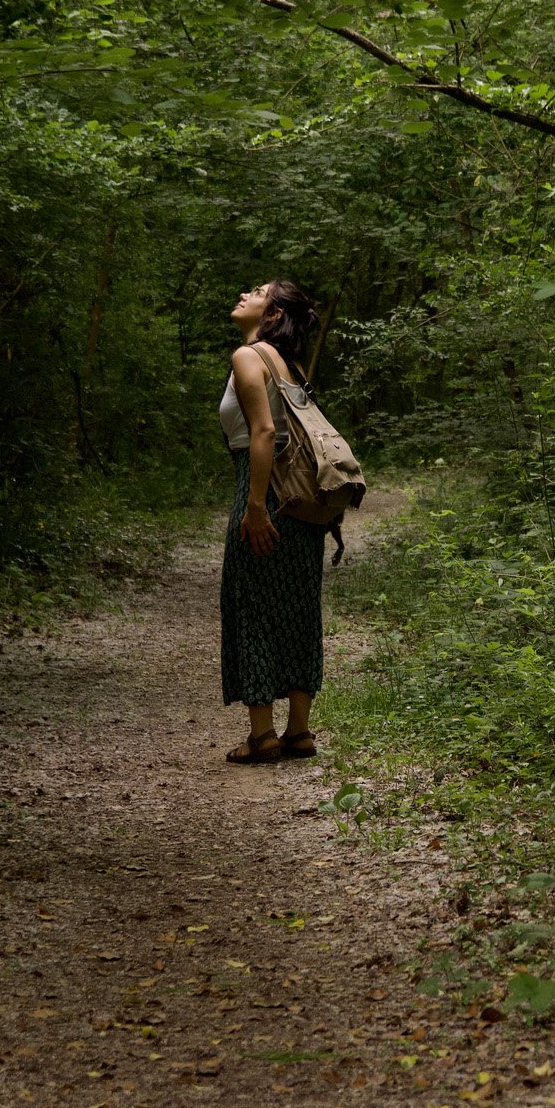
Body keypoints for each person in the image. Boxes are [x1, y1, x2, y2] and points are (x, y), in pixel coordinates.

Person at [219, 280, 328, 763]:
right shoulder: (292, 366)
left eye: (258, 291)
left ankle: (262, 736)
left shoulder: (249, 357)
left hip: (263, 486)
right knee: (298, 606)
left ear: (274, 314)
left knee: (251, 603)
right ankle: (299, 732)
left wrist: (255, 506)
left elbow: (264, 431)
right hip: (303, 499)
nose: (245, 293)